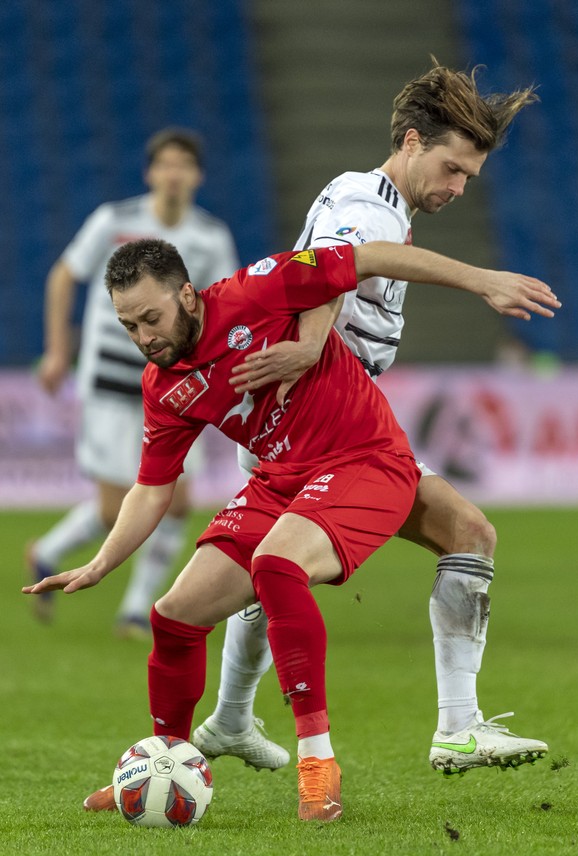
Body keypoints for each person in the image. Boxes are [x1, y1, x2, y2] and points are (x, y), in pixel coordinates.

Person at [24, 237, 557, 821]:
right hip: (281, 481)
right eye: (129, 326)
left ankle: (318, 764)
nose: (144, 337)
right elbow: (153, 487)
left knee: (277, 565)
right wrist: (101, 563)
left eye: (152, 318)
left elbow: (368, 258)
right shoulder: (164, 384)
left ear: (186, 294)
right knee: (174, 615)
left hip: (363, 460)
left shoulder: (257, 290)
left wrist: (481, 278)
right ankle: (161, 763)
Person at [191, 60, 555, 777]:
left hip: (310, 423)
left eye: (469, 181)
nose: (457, 188)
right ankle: (455, 728)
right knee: (467, 531)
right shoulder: (374, 204)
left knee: (274, 571)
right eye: (453, 169)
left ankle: (231, 717)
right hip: (322, 429)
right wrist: (309, 345)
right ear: (414, 140)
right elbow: (339, 262)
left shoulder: (369, 195)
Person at [28, 127, 239, 640]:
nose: (173, 174)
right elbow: (63, 275)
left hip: (174, 383)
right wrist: (58, 351)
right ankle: (47, 552)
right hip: (107, 380)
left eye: (183, 165)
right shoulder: (114, 220)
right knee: (114, 507)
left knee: (178, 499)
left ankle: (136, 607)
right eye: (164, 164)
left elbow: (223, 304)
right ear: (150, 173)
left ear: (197, 176)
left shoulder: (211, 236)